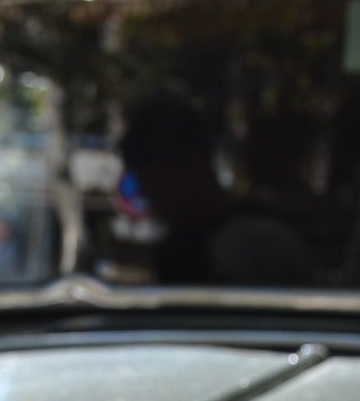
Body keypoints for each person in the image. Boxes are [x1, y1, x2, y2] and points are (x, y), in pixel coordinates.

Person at [119, 97, 309, 287]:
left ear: (196, 167)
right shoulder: (180, 245)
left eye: (159, 182)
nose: (154, 198)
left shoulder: (256, 242)